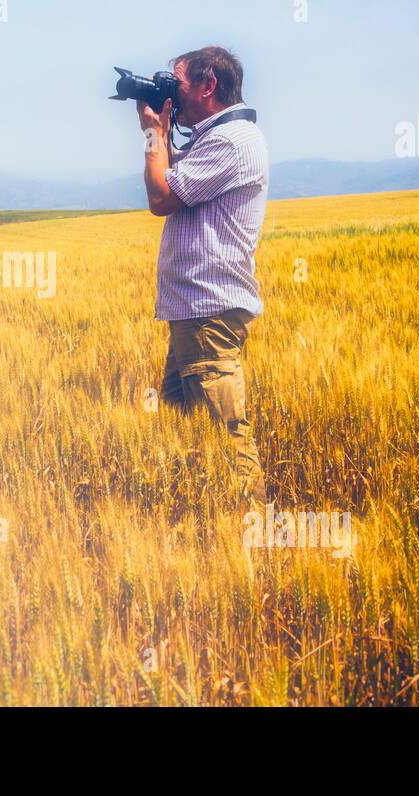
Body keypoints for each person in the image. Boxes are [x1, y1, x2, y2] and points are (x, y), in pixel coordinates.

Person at [136, 45, 270, 503]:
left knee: (227, 437)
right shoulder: (218, 137)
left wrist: (154, 134)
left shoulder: (231, 142)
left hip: (208, 312)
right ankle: (197, 519)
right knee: (182, 430)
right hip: (194, 311)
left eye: (179, 84)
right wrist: (163, 131)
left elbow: (161, 196)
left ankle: (250, 534)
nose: (173, 93)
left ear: (209, 86)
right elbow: (175, 178)